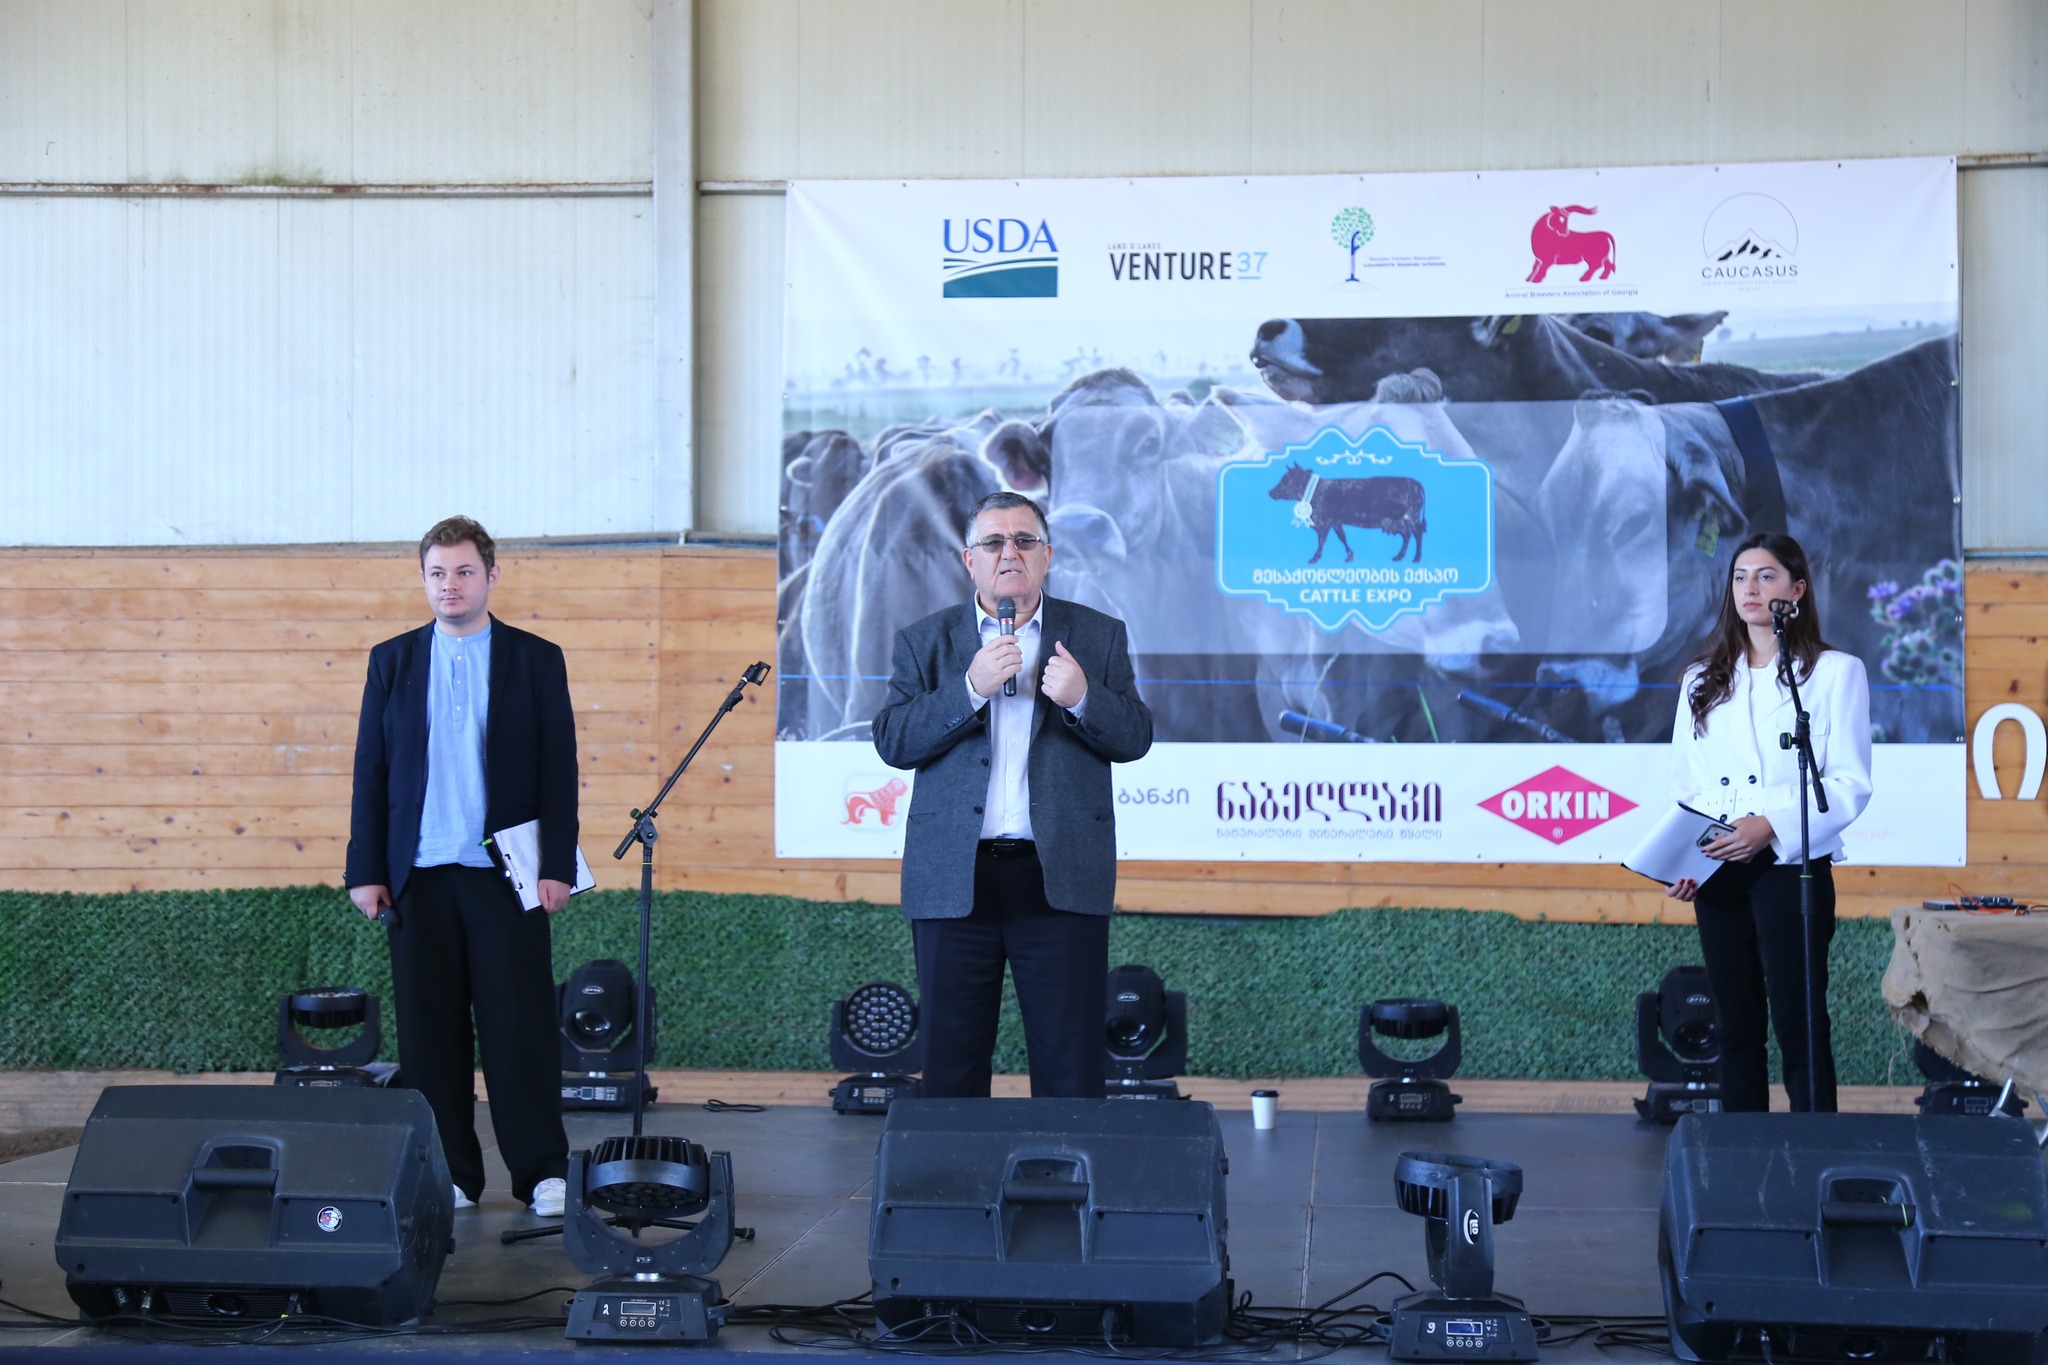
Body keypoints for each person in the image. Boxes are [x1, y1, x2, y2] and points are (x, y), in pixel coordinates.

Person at [872, 491, 1153, 1099]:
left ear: (1047, 556)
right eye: (993, 542)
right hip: (955, 878)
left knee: (1070, 1070)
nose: (1010, 553)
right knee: (950, 1070)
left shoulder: (1097, 636)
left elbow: (1134, 738)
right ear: (969, 559)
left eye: (1025, 541)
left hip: (1059, 877)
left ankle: (1068, 1165)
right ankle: (952, 1165)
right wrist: (969, 689)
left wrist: (1083, 697)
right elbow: (893, 741)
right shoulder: (925, 641)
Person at [345, 516, 577, 1214]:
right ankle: (449, 1174)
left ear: (491, 576)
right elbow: (370, 772)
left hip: (506, 877)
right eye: (438, 573)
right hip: (417, 879)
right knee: (429, 1037)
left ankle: (542, 1173)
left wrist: (558, 865)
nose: (451, 585)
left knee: (519, 1030)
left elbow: (558, 770)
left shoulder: (536, 659)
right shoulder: (391, 661)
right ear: (424, 580)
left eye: (464, 572)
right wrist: (365, 869)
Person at [1666, 532, 1872, 1113]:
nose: (1750, 588)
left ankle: (1815, 1152)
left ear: (1797, 590)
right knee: (1735, 1027)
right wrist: (1687, 862)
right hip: (1719, 867)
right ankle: (1742, 1155)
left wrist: (1771, 826)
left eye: (1765, 575)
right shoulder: (1700, 679)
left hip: (1792, 867)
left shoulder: (1836, 673)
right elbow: (1685, 784)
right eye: (1740, 577)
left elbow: (1849, 784)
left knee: (1800, 1024)